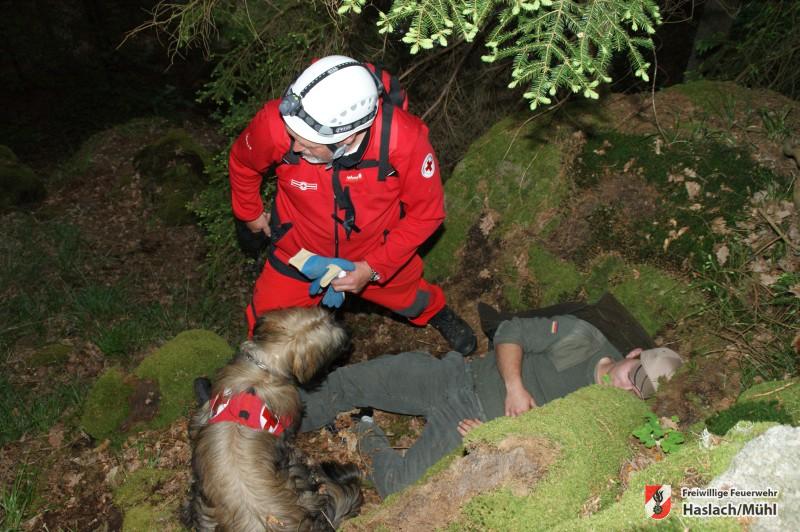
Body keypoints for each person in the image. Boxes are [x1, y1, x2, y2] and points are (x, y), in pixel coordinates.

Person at [229, 54, 476, 354]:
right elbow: (243, 163)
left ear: (348, 137)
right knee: (266, 330)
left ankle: (435, 313)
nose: (294, 147)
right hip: (298, 249)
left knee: (412, 297)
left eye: (306, 143)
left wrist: (372, 268)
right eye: (294, 138)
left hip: (375, 251)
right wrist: (250, 212)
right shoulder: (275, 124)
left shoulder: (402, 140)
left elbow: (427, 215)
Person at [299, 314, 684, 497]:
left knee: (398, 486)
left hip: (471, 423)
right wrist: (515, 386)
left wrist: (494, 440)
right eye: (634, 373)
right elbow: (510, 331)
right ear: (634, 352)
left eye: (639, 391)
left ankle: (367, 429)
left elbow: (552, 457)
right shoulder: (584, 338)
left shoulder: (609, 411)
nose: (626, 387)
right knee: (348, 381)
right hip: (456, 376)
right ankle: (273, 421)